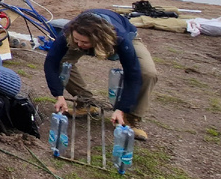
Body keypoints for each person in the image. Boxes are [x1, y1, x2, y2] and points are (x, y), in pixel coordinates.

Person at [44, 10, 159, 140]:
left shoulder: (120, 38)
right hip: (85, 36)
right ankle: (86, 103)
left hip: (126, 37)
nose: (79, 45)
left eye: (84, 42)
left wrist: (122, 108)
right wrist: (58, 95)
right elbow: (51, 61)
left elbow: (132, 73)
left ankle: (130, 117)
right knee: (62, 62)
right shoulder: (69, 31)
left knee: (148, 73)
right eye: (76, 40)